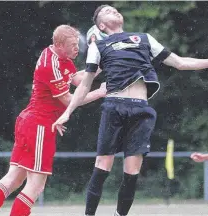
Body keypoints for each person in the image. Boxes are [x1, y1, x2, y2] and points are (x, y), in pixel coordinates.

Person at [53, 5, 208, 216]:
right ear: (101, 25)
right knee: (102, 166)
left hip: (141, 110)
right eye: (107, 11)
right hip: (114, 107)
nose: (114, 10)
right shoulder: (99, 45)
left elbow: (180, 63)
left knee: (131, 172)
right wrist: (67, 112)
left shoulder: (143, 38)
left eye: (115, 9)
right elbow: (84, 83)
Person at [0, 25, 106, 216]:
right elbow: (71, 100)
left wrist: (99, 66)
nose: (77, 49)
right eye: (72, 45)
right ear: (59, 44)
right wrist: (100, 92)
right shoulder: (51, 65)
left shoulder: (60, 57)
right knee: (35, 186)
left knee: (13, 178)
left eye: (77, 44)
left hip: (31, 121)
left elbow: (78, 79)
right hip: (39, 124)